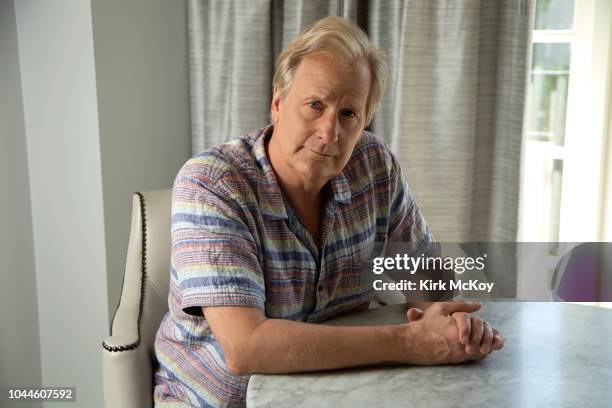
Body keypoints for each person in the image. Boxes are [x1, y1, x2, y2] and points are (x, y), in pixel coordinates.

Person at [153, 16, 504, 408]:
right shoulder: (213, 184)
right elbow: (246, 348)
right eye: (314, 105)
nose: (329, 131)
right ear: (278, 103)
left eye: (348, 114)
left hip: (332, 391)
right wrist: (408, 342)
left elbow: (428, 283)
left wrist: (450, 323)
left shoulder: (374, 166)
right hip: (216, 401)